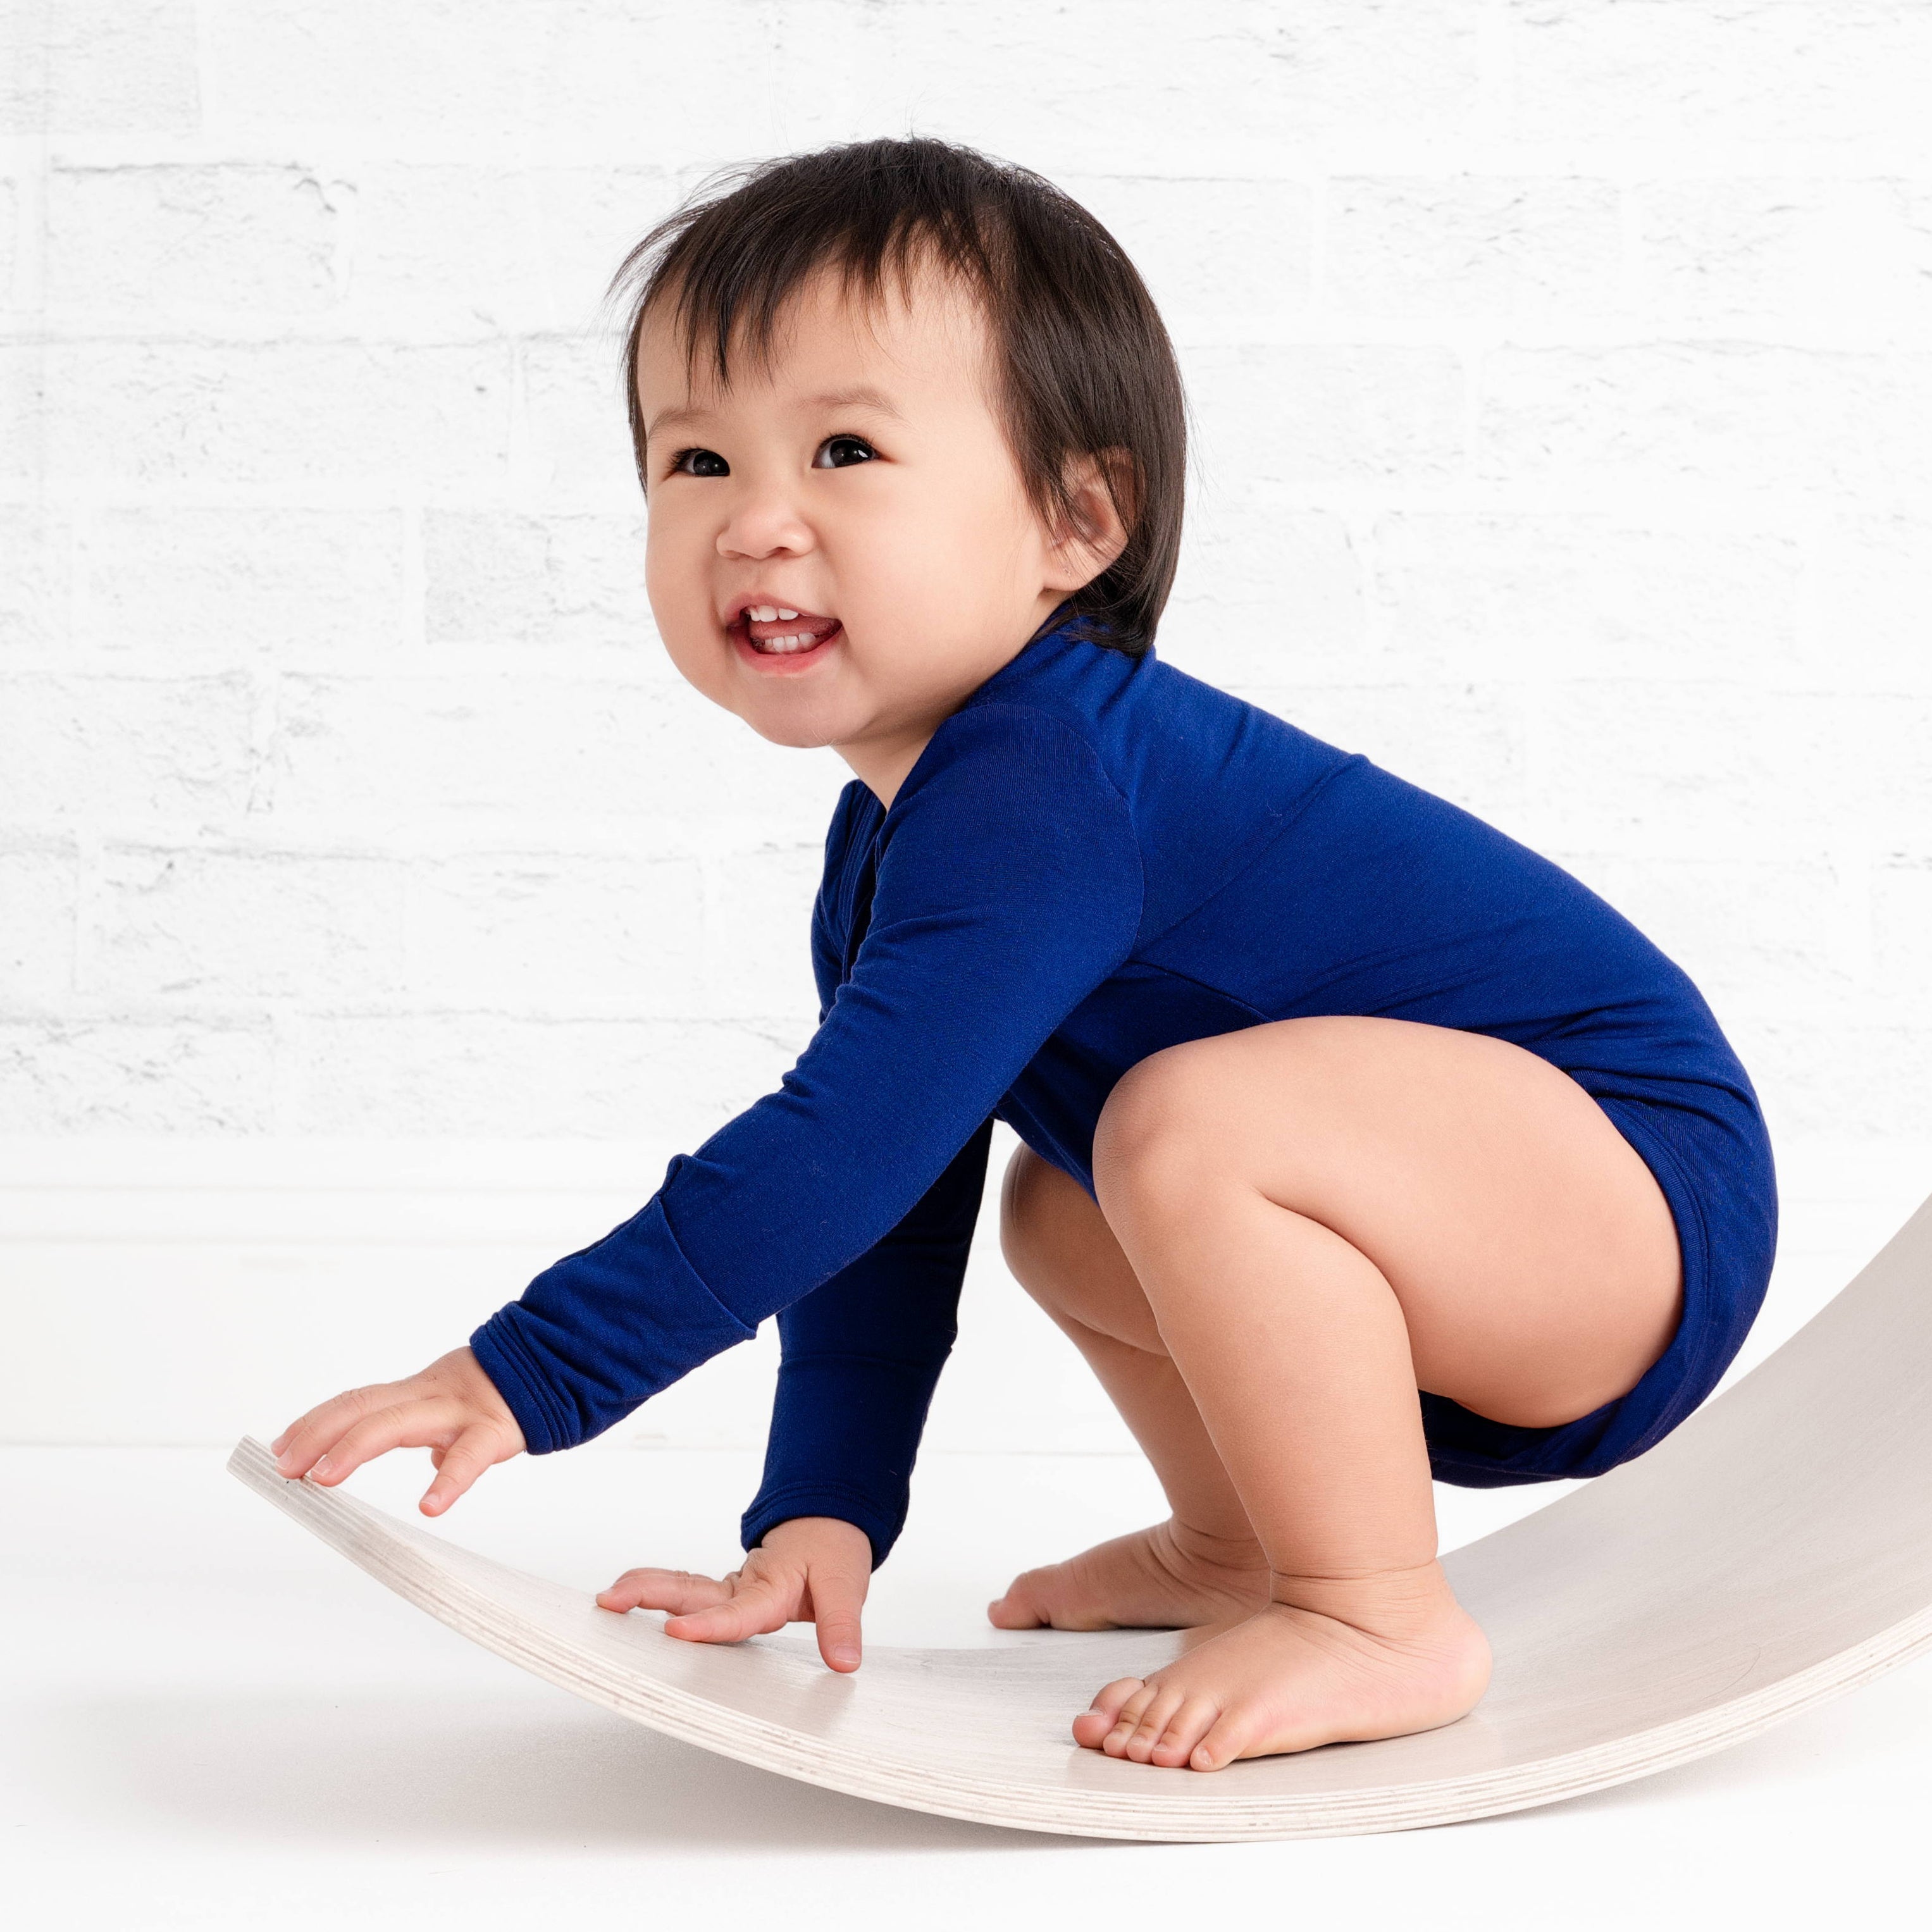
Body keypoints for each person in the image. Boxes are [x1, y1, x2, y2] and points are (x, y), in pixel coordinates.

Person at [271, 136, 1777, 1774]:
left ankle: (1372, 1614)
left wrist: (526, 1373)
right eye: (694, 463)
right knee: (1062, 1203)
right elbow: (891, 1202)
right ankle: (1242, 1550)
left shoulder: (1053, 778)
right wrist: (823, 1515)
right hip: (1484, 1229)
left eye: (844, 448)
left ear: (1076, 522)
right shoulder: (899, 840)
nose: (757, 523)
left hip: (1628, 1208)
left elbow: (830, 1156)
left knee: (1179, 1129)